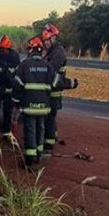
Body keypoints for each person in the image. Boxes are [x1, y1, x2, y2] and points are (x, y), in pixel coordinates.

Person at [12, 37, 56, 166]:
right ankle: (38, 155)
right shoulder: (47, 65)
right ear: (41, 50)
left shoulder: (24, 65)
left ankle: (30, 160)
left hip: (29, 106)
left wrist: (16, 102)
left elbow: (17, 85)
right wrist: (72, 83)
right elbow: (57, 82)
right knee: (40, 128)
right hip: (43, 107)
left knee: (30, 130)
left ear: (31, 50)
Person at [41, 23, 77, 153]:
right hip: (51, 90)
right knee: (50, 118)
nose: (46, 43)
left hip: (54, 92)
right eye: (44, 41)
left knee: (49, 117)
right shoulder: (52, 51)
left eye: (47, 41)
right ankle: (52, 137)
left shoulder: (58, 53)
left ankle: (49, 145)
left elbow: (50, 70)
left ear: (53, 38)